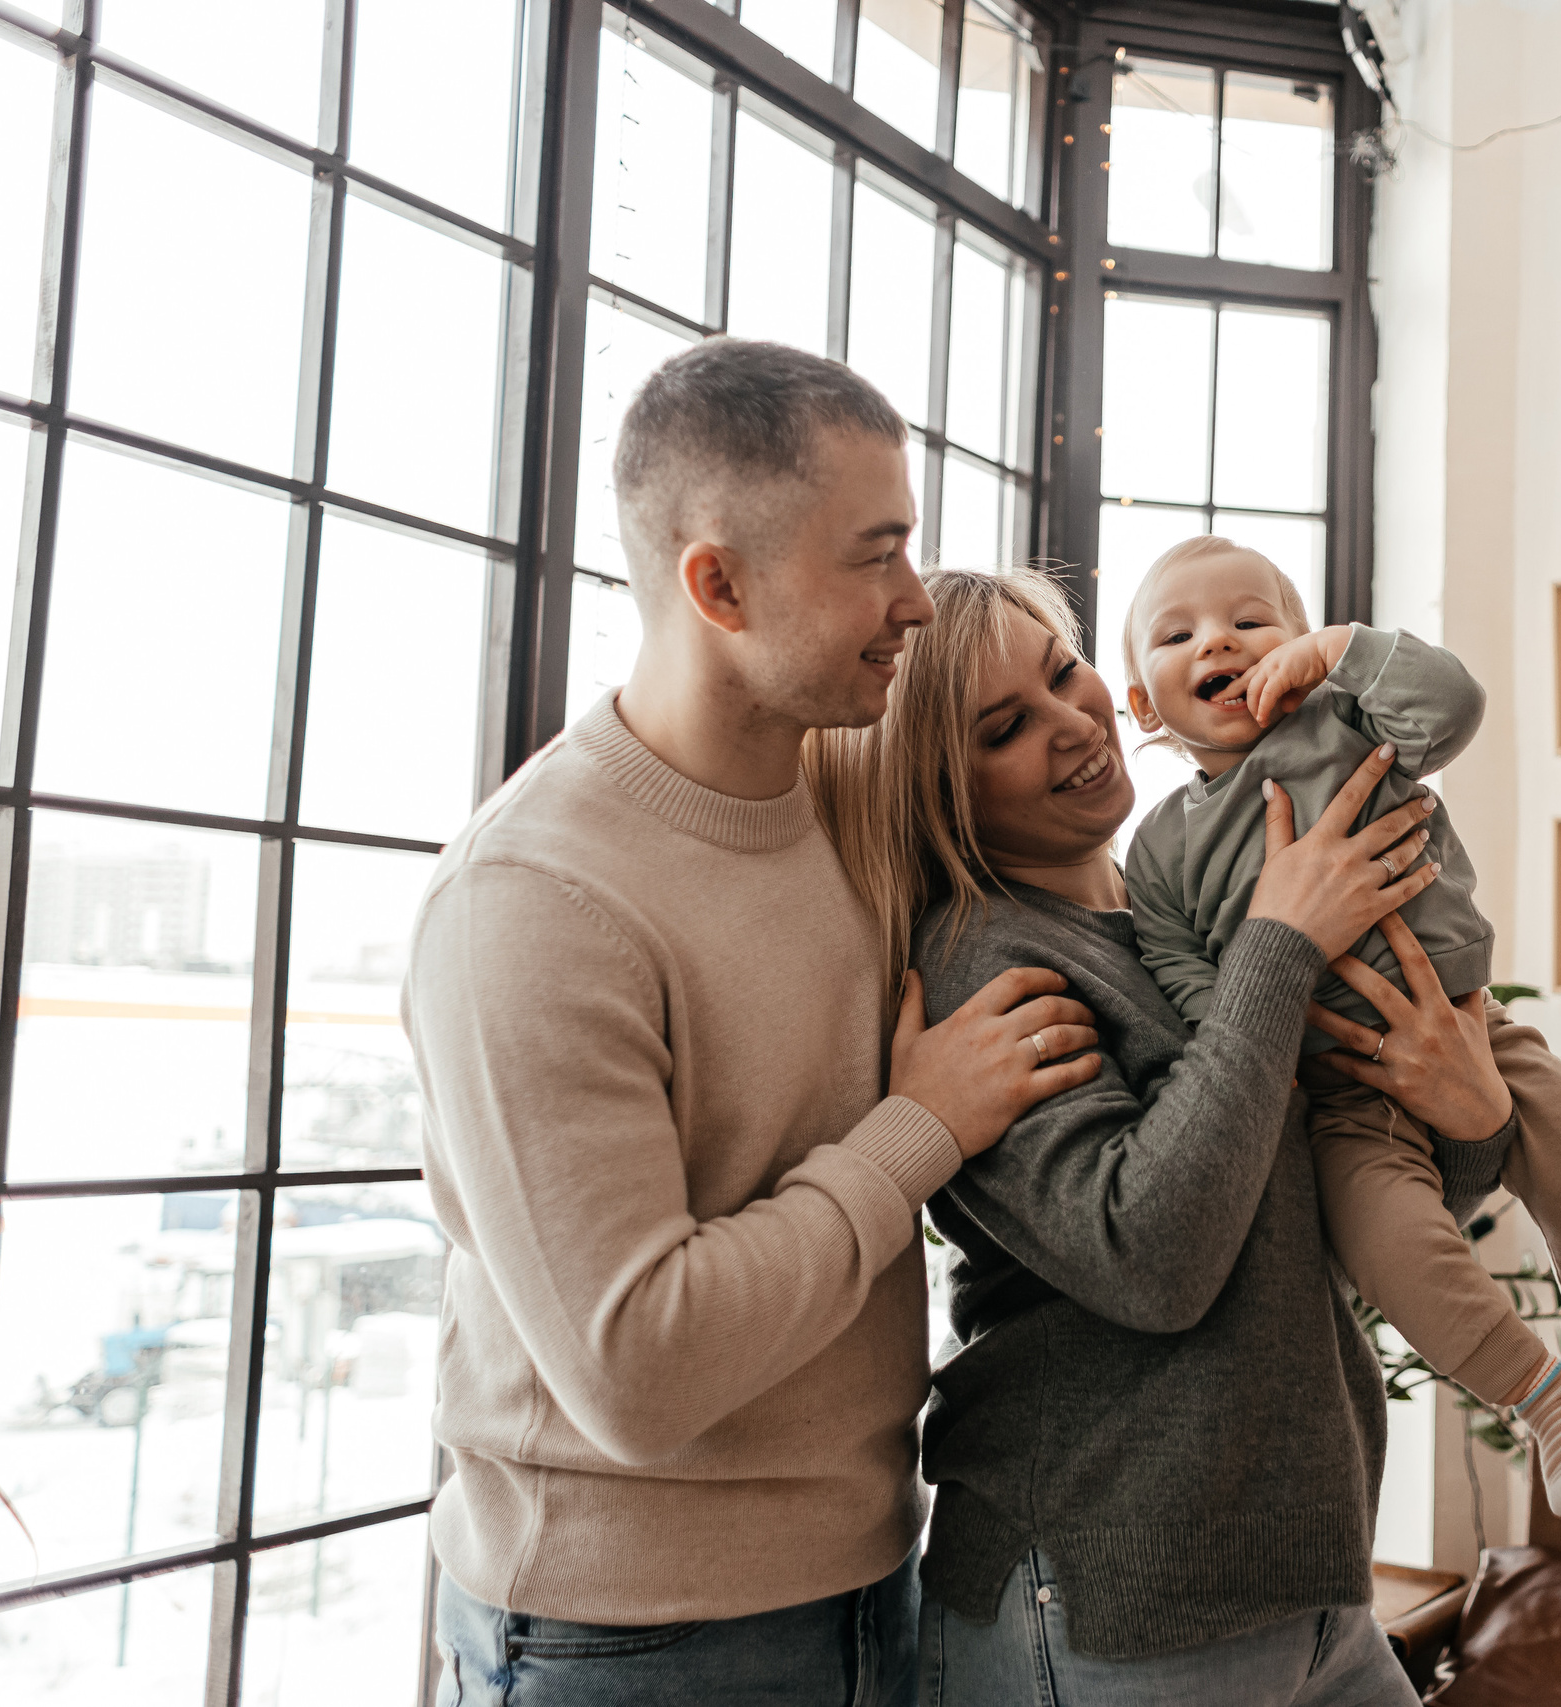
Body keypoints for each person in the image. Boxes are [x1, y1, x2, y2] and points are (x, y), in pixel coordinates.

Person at [405, 341, 1100, 1706]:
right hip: (625, 1637)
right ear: (716, 584)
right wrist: (918, 1129)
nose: (915, 600)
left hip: (870, 1577)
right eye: (876, 555)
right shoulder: (532, 898)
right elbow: (635, 1369)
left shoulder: (840, 819)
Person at [807, 567, 1524, 1705]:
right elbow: (1155, 1258)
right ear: (943, 792)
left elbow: (1372, 1197)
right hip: (1110, 1600)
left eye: (1060, 674)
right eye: (1004, 729)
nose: (1071, 725)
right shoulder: (985, 966)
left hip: (1309, 1581)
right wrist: (1281, 945)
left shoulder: (1181, 912)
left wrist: (1478, 1113)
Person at [1111, 536, 1561, 1520]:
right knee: (1396, 1251)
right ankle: (1547, 1401)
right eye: (1177, 634)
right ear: (1142, 701)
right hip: (1338, 1087)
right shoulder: (1157, 849)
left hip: (1480, 1029)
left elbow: (1453, 705)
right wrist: (1259, 1039)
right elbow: (1180, 973)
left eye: (1250, 621)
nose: (1216, 640)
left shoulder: (1345, 722)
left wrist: (1346, 651)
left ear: (1299, 646)